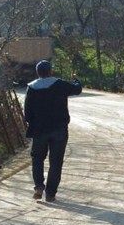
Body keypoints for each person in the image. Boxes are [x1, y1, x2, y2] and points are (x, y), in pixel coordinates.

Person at [24, 60, 82, 201]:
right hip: (59, 129)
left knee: (37, 159)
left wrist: (34, 123)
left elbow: (27, 113)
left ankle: (39, 187)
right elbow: (77, 89)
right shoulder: (60, 84)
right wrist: (76, 80)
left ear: (37, 72)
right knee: (56, 162)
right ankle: (50, 193)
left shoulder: (32, 88)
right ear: (50, 71)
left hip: (39, 131)